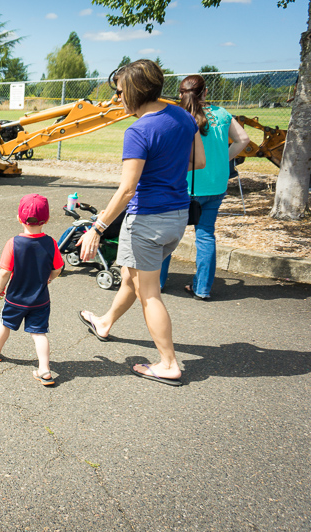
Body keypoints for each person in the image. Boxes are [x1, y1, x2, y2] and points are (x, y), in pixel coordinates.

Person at [76, 59, 205, 387]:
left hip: (147, 220)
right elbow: (199, 160)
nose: (118, 98)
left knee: (149, 294)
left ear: (134, 90)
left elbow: (127, 189)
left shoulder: (139, 130)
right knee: (132, 277)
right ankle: (104, 323)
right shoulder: (182, 115)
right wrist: (166, 171)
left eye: (120, 92)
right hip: (176, 218)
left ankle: (169, 363)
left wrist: (97, 227)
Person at [159, 74, 251, 300]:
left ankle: (157, 282)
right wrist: (223, 159)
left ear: (181, 93)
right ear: (206, 93)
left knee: (167, 235)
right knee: (206, 235)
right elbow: (244, 139)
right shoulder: (222, 114)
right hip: (215, 185)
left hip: (184, 185)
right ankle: (202, 289)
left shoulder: (178, 116)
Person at [0, 194, 64, 385]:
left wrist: (0, 288)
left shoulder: (14, 243)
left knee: (5, 324)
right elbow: (58, 268)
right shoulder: (51, 243)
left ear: (19, 218)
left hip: (16, 297)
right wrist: (50, 278)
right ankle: (44, 369)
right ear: (48, 218)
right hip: (40, 299)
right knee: (39, 333)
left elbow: (4, 272)